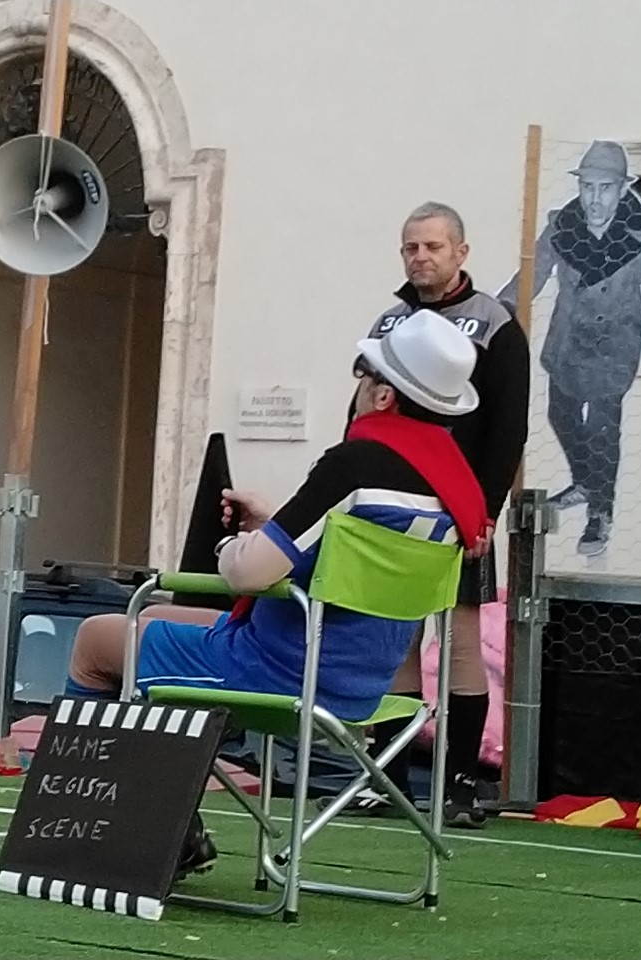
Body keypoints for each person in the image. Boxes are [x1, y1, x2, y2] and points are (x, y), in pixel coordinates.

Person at [63, 309, 489, 876]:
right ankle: (174, 823)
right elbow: (348, 568)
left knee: (97, 642)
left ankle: (90, 821)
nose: (358, 387)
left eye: (362, 374)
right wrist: (271, 524)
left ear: (384, 394)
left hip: (284, 670)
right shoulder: (455, 494)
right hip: (366, 685)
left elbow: (248, 576)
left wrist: (230, 545)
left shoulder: (354, 465)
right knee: (167, 626)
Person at [355, 202, 530, 829]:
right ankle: (387, 781)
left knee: (458, 643)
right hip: (391, 511)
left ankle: (459, 788)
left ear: (461, 252)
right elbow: (362, 414)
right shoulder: (387, 323)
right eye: (411, 247)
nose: (420, 257)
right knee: (395, 643)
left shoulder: (496, 325)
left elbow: (508, 430)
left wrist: (483, 513)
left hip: (462, 512)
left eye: (433, 246)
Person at [502, 142, 641, 557]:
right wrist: (501, 309)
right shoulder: (561, 227)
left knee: (604, 430)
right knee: (560, 414)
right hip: (568, 340)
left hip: (613, 345)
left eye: (605, 188)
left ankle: (600, 513)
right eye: (587, 187)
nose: (594, 199)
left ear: (622, 188)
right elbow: (531, 276)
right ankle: (586, 481)